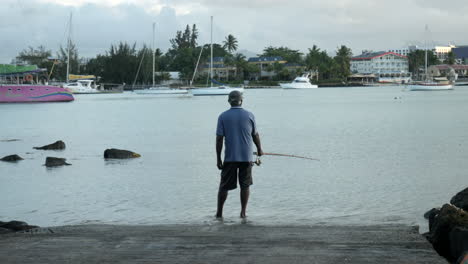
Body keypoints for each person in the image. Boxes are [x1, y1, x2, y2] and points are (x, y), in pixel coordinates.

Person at [215, 90, 263, 219]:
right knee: (245, 185)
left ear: (229, 101)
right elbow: (255, 135)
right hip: (246, 157)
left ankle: (219, 213)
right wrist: (259, 149)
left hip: (230, 157)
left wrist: (218, 158)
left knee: (224, 186)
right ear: (241, 100)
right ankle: (243, 213)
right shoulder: (249, 115)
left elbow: (219, 139)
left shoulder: (223, 116)